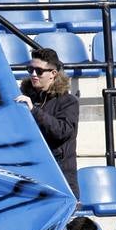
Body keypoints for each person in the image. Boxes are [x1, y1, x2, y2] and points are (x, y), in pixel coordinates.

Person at [15, 47, 80, 199]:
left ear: (53, 74)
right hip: (31, 177)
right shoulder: (22, 98)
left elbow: (62, 131)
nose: (33, 74)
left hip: (60, 180)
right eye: (30, 69)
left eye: (39, 71)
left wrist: (34, 110)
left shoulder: (68, 102)